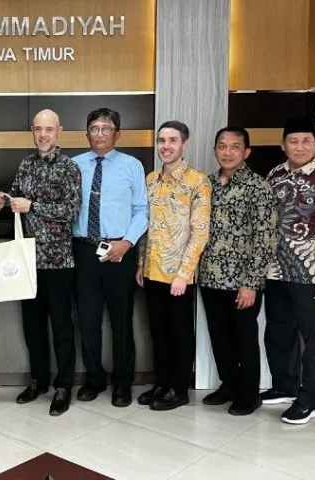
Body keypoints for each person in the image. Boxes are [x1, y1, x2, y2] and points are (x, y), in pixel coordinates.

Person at [0, 109, 81, 416]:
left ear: (59, 131)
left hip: (59, 262)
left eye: (49, 129)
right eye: (38, 129)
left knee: (62, 327)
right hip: (27, 261)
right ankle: (38, 380)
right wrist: (3, 200)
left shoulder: (69, 167)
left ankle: (63, 386)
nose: (43, 135)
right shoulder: (26, 164)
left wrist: (33, 205)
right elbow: (15, 198)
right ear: (33, 131)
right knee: (33, 326)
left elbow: (71, 211)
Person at [262, 116, 315, 424]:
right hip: (275, 270)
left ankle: (311, 400)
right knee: (278, 331)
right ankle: (284, 386)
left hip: (311, 273)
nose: (299, 147)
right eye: (293, 141)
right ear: (283, 145)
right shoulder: (275, 174)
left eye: (306, 141)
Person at [72, 107, 149, 407]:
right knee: (88, 320)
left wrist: (127, 242)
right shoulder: (74, 165)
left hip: (120, 251)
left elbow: (142, 210)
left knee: (121, 321)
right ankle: (94, 379)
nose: (100, 134)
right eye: (94, 128)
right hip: (84, 250)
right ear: (86, 133)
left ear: (118, 134)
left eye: (106, 128)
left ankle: (123, 383)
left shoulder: (132, 166)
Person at [198, 125, 276, 416]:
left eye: (234, 147)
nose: (227, 152)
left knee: (244, 338)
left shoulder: (258, 187)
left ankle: (249, 393)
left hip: (242, 281)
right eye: (222, 146)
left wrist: (251, 283)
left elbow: (265, 239)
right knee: (220, 337)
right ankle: (229, 384)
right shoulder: (206, 184)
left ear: (246, 152)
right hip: (210, 276)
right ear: (215, 150)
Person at [136, 120, 211, 411]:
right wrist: (141, 263)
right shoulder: (151, 180)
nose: (165, 146)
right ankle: (162, 383)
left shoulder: (197, 182)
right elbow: (145, 225)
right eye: (162, 140)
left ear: (184, 144)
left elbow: (200, 232)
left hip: (179, 275)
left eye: (172, 140)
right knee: (159, 333)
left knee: (179, 335)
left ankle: (178, 390)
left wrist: (184, 273)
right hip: (152, 270)